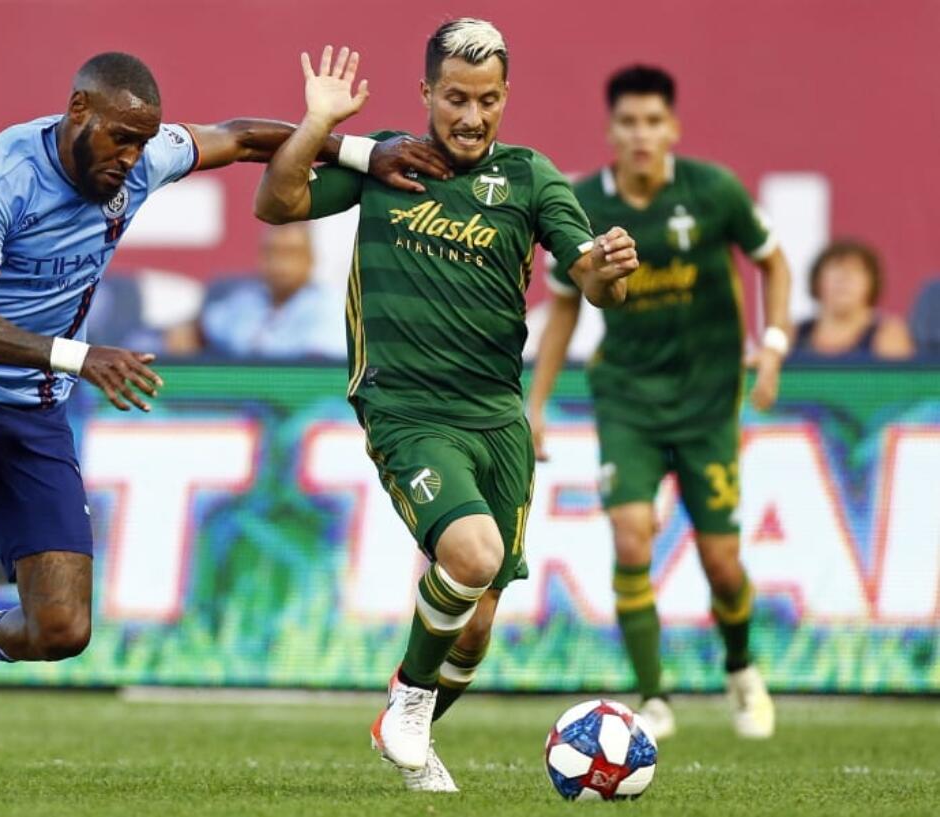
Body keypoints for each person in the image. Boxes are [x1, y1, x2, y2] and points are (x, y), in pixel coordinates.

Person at [0, 51, 452, 795]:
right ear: (77, 111)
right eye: (120, 138)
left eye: (144, 141)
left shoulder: (142, 162)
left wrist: (362, 151)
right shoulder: (2, 173)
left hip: (34, 407)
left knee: (62, 631)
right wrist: (78, 356)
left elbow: (242, 138)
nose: (132, 157)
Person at [255, 20, 639, 792]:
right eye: (456, 97)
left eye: (488, 99)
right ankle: (410, 698)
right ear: (426, 92)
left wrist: (607, 269)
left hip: (495, 419)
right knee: (470, 557)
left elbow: (591, 277)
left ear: (506, 98)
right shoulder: (392, 163)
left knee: (479, 622)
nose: (471, 116)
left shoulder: (531, 177)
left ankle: (411, 721)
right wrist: (320, 126)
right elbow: (276, 199)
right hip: (406, 408)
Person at [529, 65, 794, 741]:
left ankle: (741, 669)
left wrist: (772, 342)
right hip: (628, 401)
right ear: (611, 130)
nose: (641, 134)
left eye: (653, 121)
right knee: (629, 534)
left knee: (721, 560)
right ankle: (653, 697)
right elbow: (562, 305)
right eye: (628, 122)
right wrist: (536, 403)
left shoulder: (714, 191)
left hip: (708, 404)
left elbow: (775, 261)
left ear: (672, 127)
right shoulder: (583, 202)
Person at [164, 222, 343, 358]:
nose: (279, 263)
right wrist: (185, 338)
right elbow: (199, 330)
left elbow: (319, 367)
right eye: (271, 252)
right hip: (240, 398)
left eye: (290, 253)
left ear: (310, 259)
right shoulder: (246, 302)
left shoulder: (328, 307)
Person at [792, 240, 914, 360]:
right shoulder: (792, 334)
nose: (844, 279)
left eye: (855, 271)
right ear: (817, 281)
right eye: (835, 270)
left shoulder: (888, 335)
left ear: (871, 284)